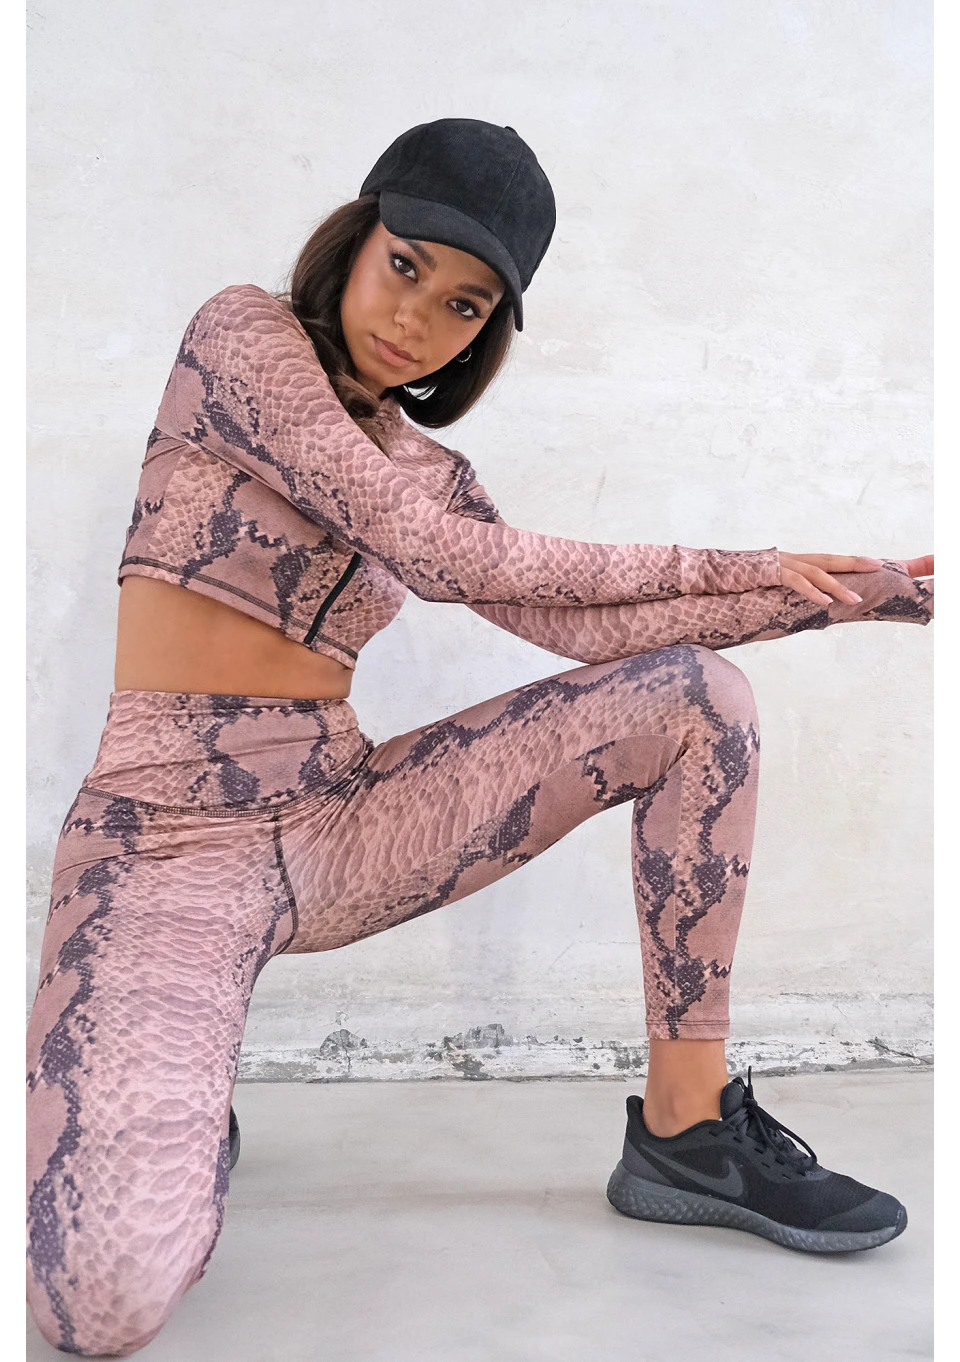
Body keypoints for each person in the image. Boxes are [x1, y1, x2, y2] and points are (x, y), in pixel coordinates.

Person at [24, 118, 934, 1356]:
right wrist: (748, 556)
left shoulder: (431, 472)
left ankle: (687, 1129)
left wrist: (843, 592)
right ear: (357, 237)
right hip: (160, 842)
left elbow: (568, 619)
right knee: (99, 1306)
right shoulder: (241, 338)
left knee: (695, 695)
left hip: (337, 818)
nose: (417, 320)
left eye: (464, 305)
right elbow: (448, 560)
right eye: (405, 266)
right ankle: (172, 1089)